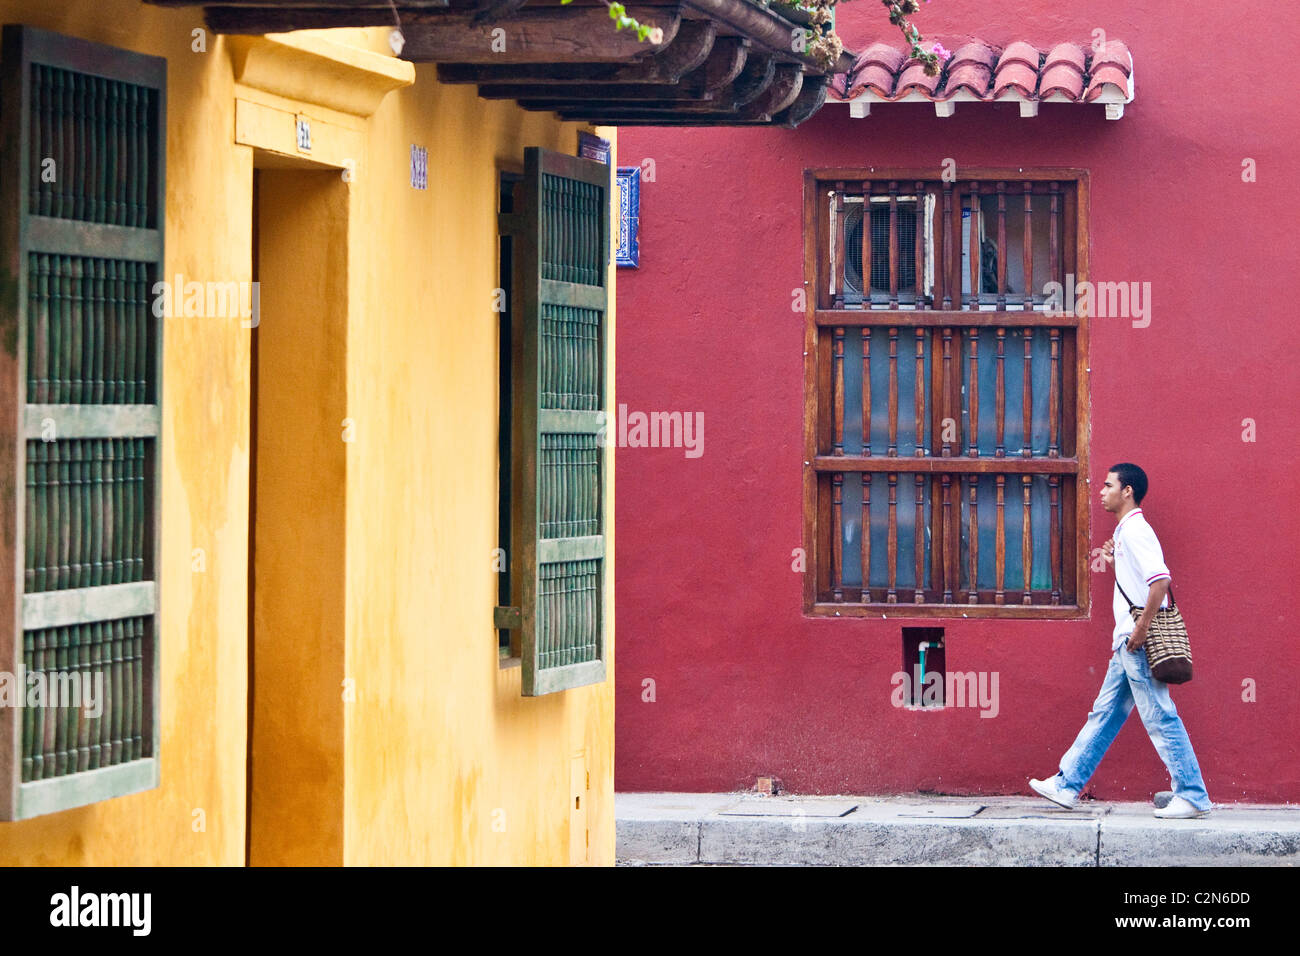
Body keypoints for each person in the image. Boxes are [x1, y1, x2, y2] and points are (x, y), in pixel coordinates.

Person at [1029, 463, 1212, 818]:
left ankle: (1192, 794)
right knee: (1107, 713)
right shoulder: (1128, 532)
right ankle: (1067, 784)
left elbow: (1160, 582)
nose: (1102, 490)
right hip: (1126, 640)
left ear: (1127, 491)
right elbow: (1142, 582)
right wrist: (1117, 563)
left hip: (1135, 640)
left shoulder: (1136, 531)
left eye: (1108, 485)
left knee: (1160, 714)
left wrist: (1141, 630)